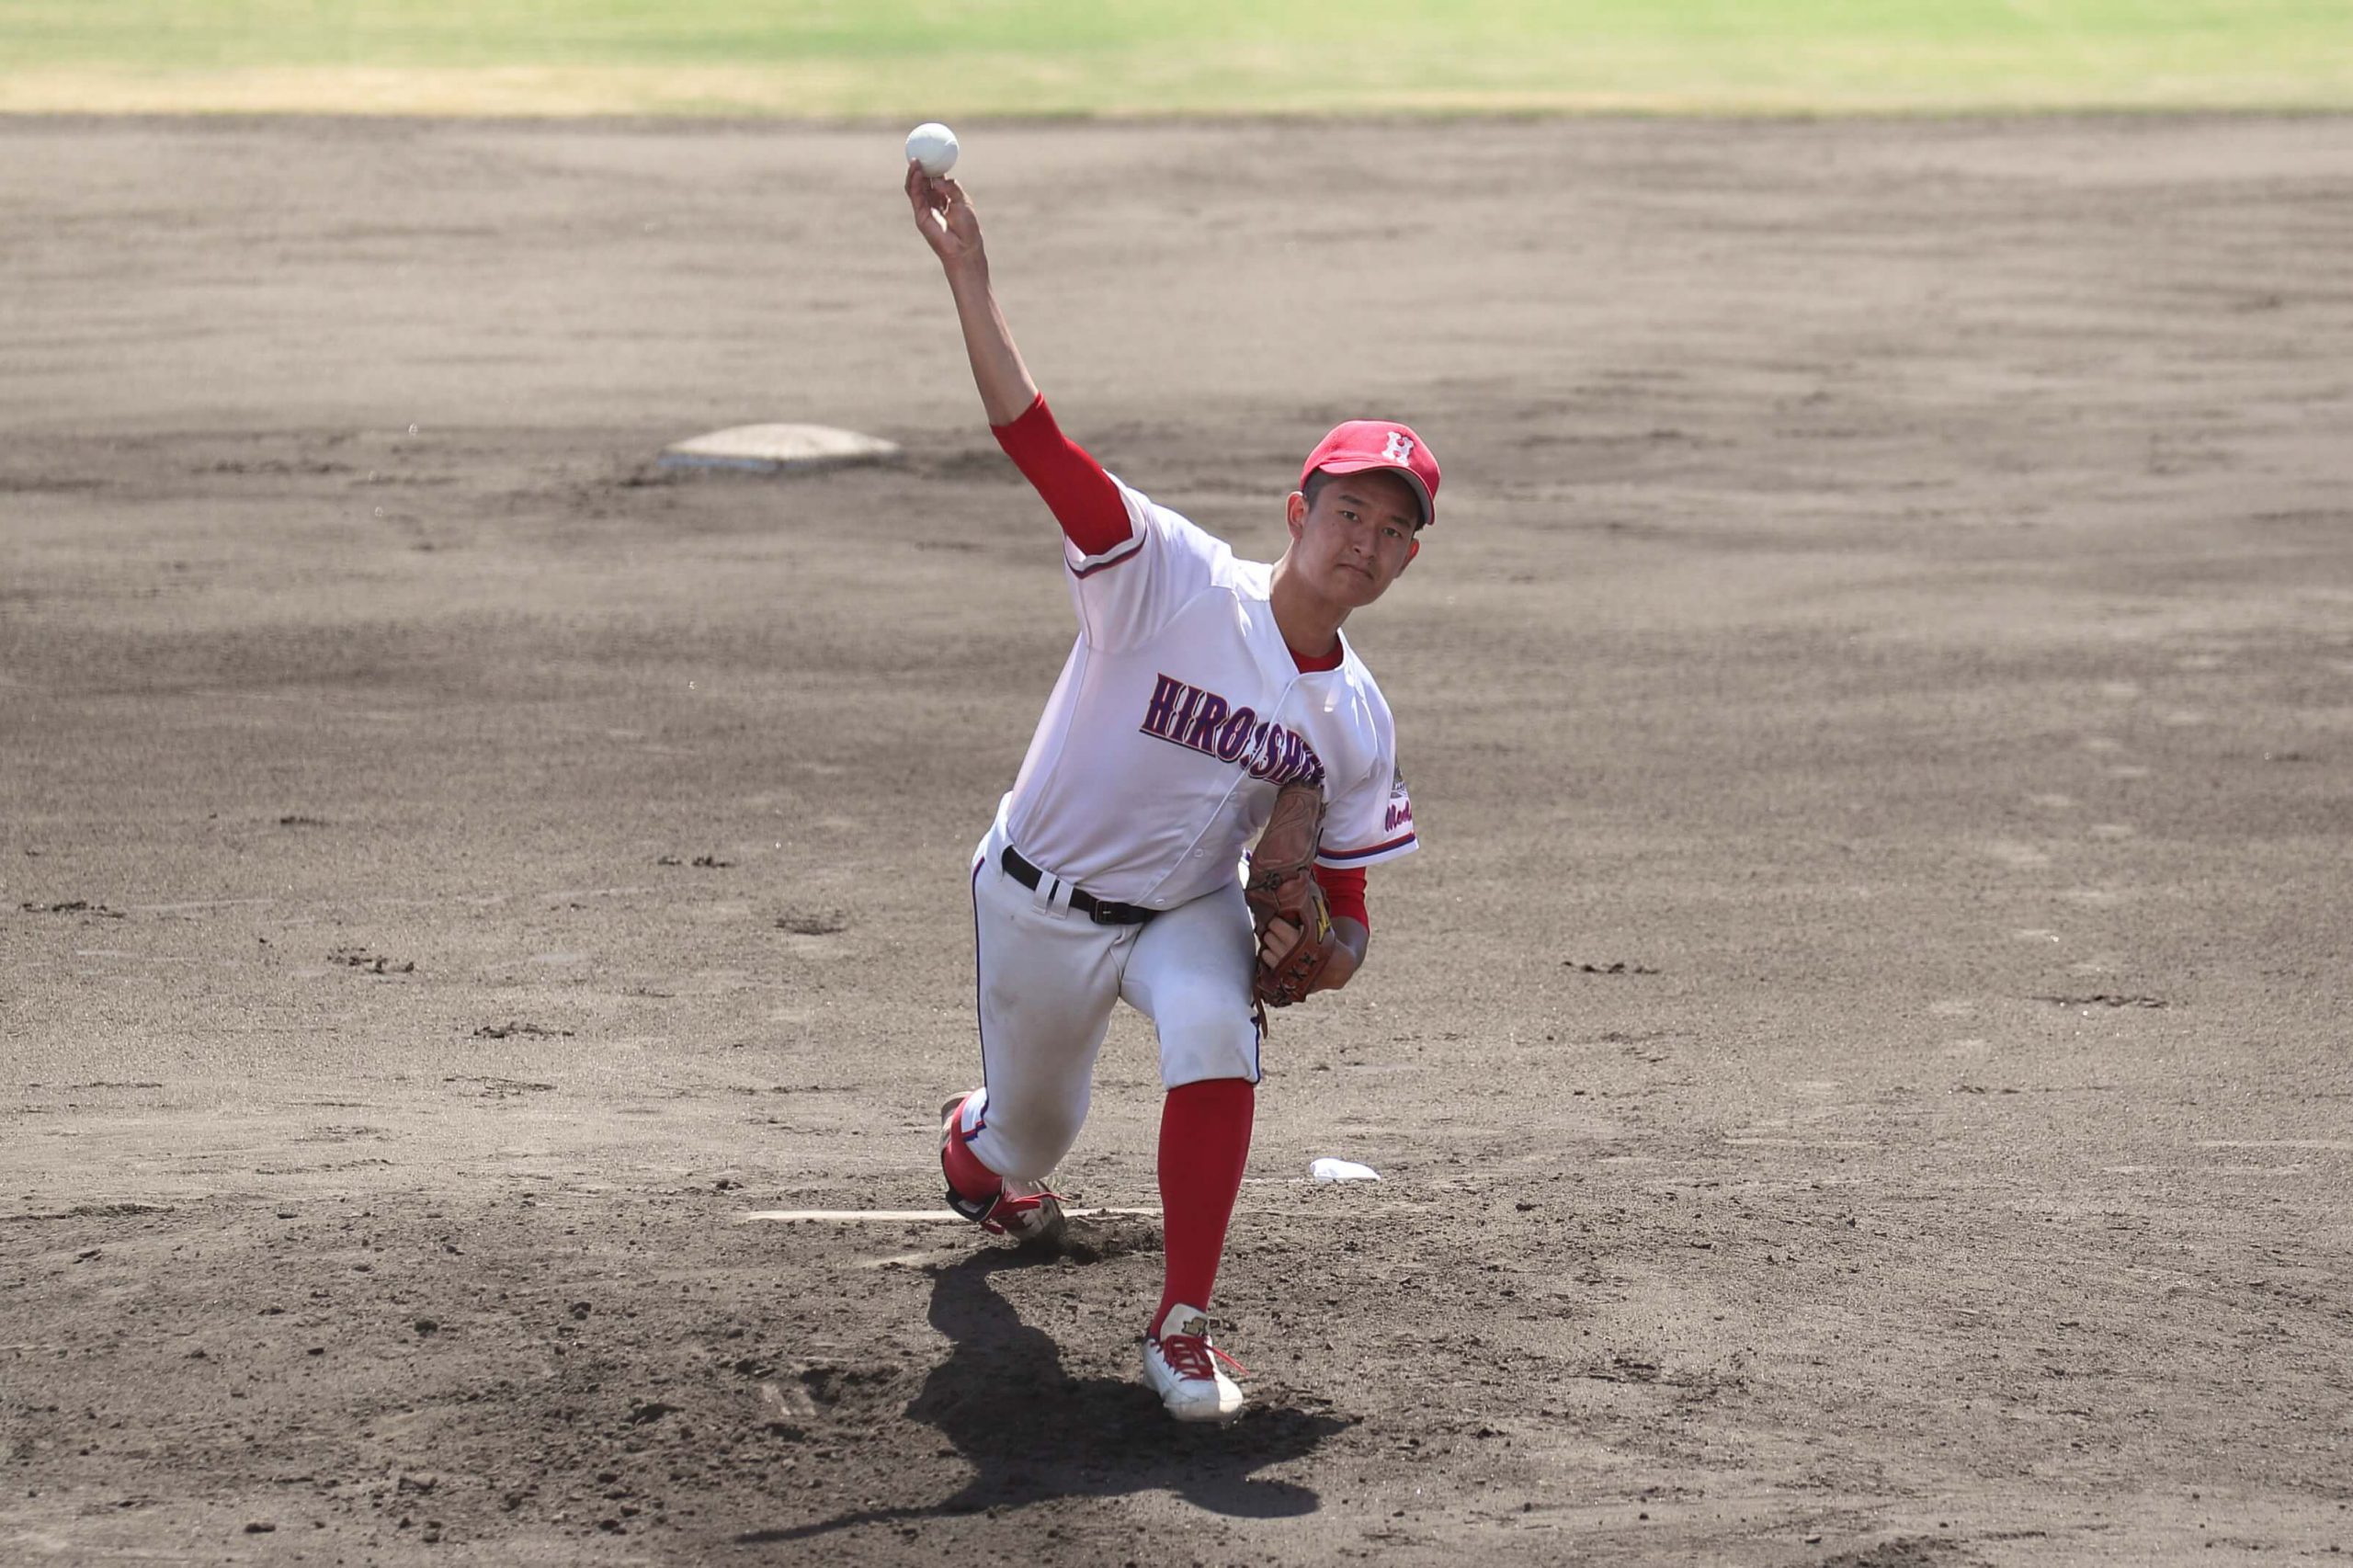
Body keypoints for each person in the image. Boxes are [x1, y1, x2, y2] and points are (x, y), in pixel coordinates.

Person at [905, 160, 1434, 1424]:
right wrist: (971, 276)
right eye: (1349, 514)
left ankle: (1182, 1328)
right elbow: (1036, 441)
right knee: (1028, 1139)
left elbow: (1351, 909)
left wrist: (1327, 956)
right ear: (1297, 510)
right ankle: (978, 1148)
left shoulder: (1356, 719)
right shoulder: (1167, 577)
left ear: (1409, 559)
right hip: (1039, 898)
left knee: (1215, 1033)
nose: (1365, 544)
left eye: (1393, 532)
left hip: (1188, 907)